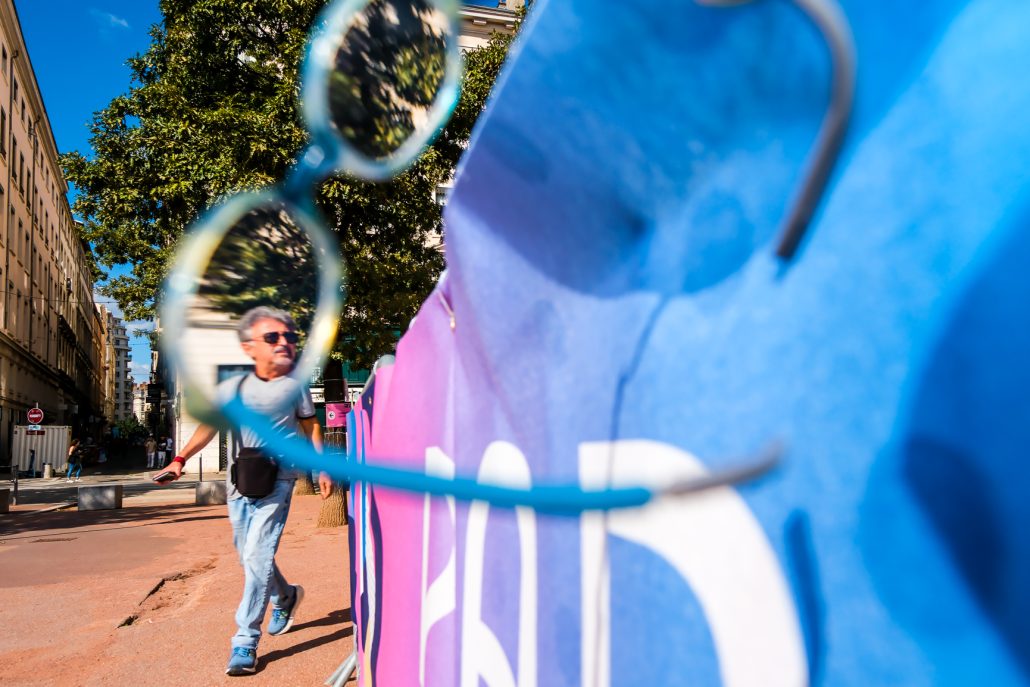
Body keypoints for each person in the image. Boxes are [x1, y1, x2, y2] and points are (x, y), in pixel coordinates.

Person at [157, 306, 332, 676]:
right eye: (272, 337)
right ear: (249, 346)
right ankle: (285, 596)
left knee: (257, 556)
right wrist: (180, 458)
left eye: (288, 337)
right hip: (240, 479)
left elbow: (310, 426)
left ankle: (245, 640)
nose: (283, 343)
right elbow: (209, 427)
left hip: (280, 479)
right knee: (248, 556)